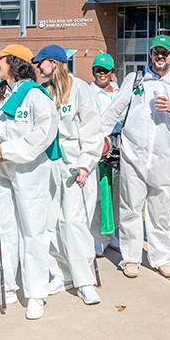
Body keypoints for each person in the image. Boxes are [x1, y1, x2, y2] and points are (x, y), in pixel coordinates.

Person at [101, 35, 170, 279]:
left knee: (161, 212)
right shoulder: (136, 80)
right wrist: (99, 135)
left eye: (165, 52)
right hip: (134, 155)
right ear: (151, 54)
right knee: (130, 208)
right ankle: (130, 258)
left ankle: (161, 258)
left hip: (166, 159)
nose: (160, 56)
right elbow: (115, 110)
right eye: (156, 51)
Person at [0, 44, 58, 320]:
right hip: (2, 170)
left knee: (32, 231)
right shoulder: (0, 94)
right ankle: (5, 287)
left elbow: (44, 132)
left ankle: (36, 293)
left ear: (14, 62)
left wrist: (8, 151)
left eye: (0, 59)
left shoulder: (35, 95)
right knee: (1, 229)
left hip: (29, 171)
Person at [33, 45, 102, 305]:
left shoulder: (80, 88)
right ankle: (61, 273)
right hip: (50, 164)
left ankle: (85, 281)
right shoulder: (42, 92)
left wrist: (85, 164)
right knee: (50, 221)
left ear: (53, 62)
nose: (38, 68)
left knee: (73, 222)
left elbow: (93, 131)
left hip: (75, 166)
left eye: (41, 63)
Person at [89, 53, 120, 256]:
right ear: (93, 72)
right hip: (97, 149)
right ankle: (97, 237)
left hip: (117, 149)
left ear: (112, 73)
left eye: (106, 71)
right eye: (98, 70)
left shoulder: (120, 92)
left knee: (117, 194)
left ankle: (113, 233)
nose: (102, 74)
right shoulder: (88, 93)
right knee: (99, 195)